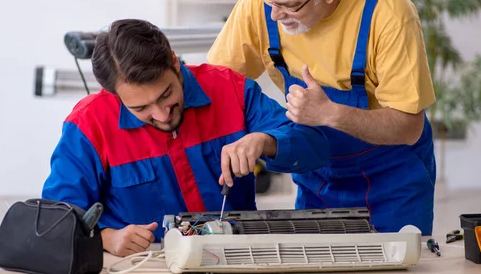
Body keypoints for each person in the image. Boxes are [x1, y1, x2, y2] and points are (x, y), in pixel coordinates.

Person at [207, 0, 437, 235]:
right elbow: (216, 88)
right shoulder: (261, 3)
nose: (274, 14)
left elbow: (409, 127)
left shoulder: (389, 13)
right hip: (317, 173)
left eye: (290, 6)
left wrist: (330, 114)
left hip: (392, 177)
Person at [42, 18, 329, 257]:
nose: (162, 115)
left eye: (165, 95)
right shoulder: (89, 125)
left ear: (175, 64)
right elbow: (57, 222)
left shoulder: (230, 89)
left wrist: (265, 140)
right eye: (141, 108)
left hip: (235, 259)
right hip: (141, 266)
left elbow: (315, 147)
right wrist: (104, 239)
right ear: (115, 96)